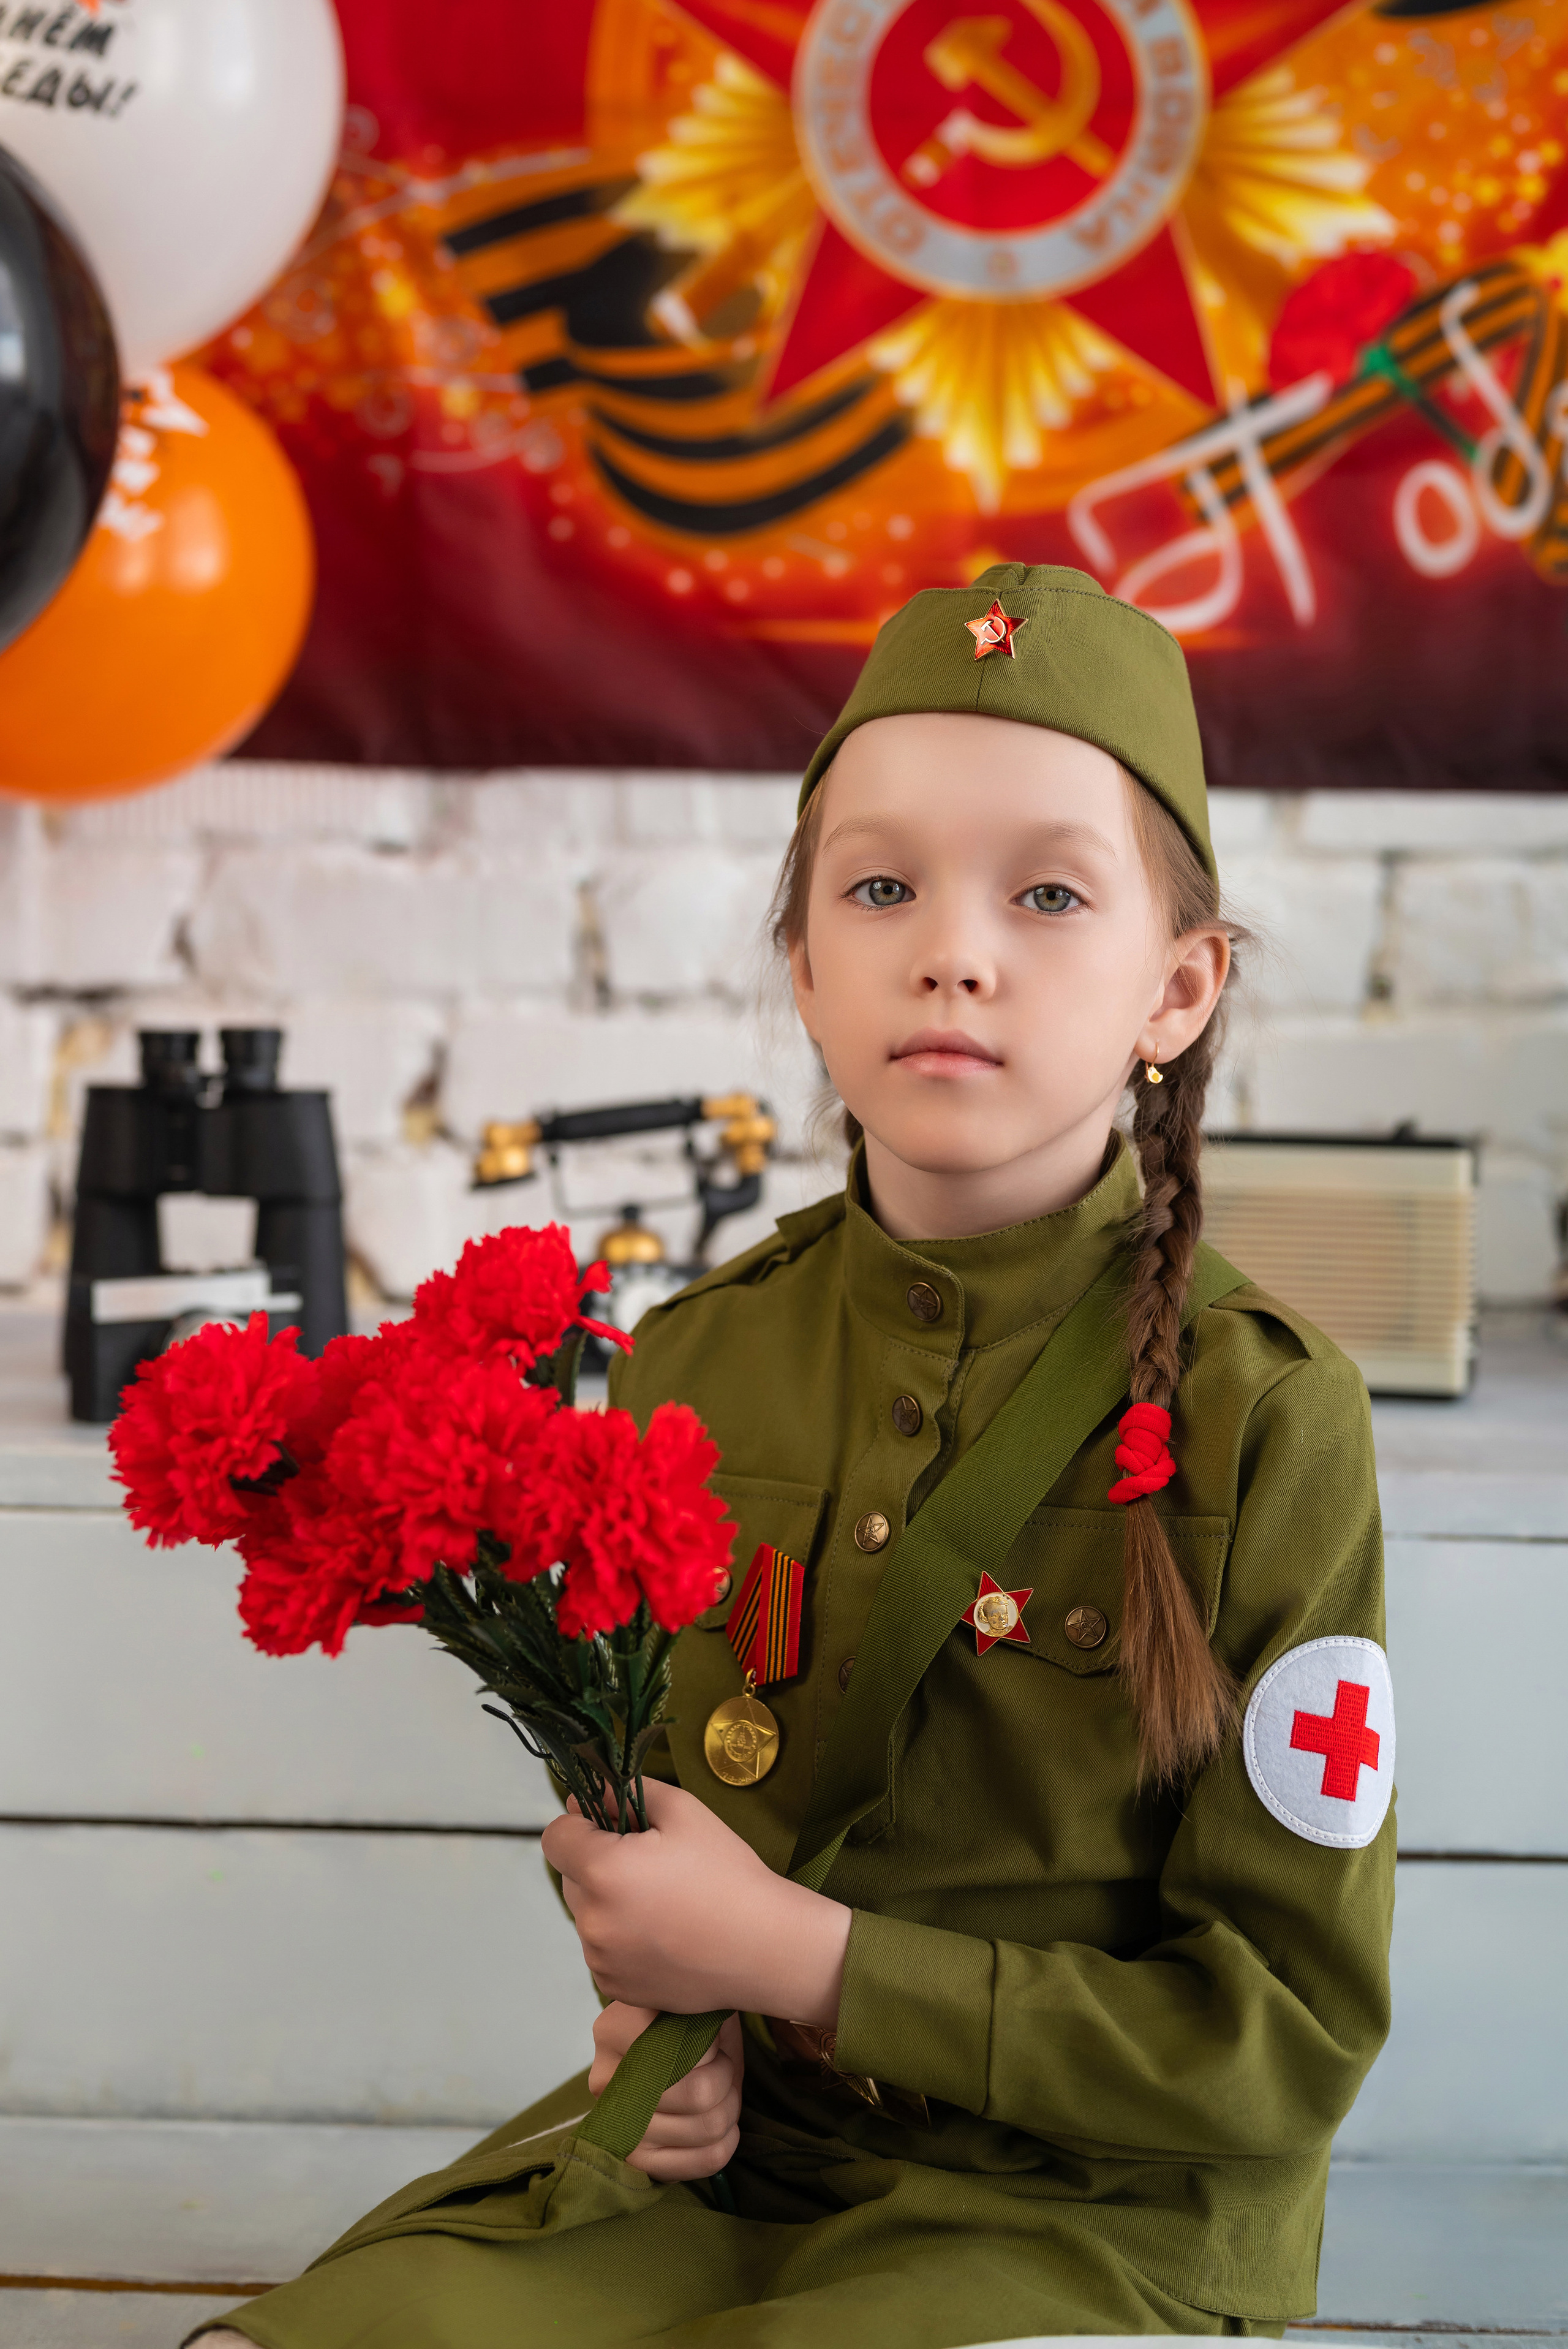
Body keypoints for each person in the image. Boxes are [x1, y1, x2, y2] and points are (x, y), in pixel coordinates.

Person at [192, 565, 1394, 2348]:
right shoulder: (695, 1360)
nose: (953, 945)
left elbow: (1280, 2043)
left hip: (1084, 2217)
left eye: (1049, 891)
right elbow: (701, 1821)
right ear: (805, 967)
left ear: (1178, 988)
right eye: (882, 883)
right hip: (734, 2179)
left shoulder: (1272, 1417)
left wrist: (803, 1964)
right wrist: (674, 2035)